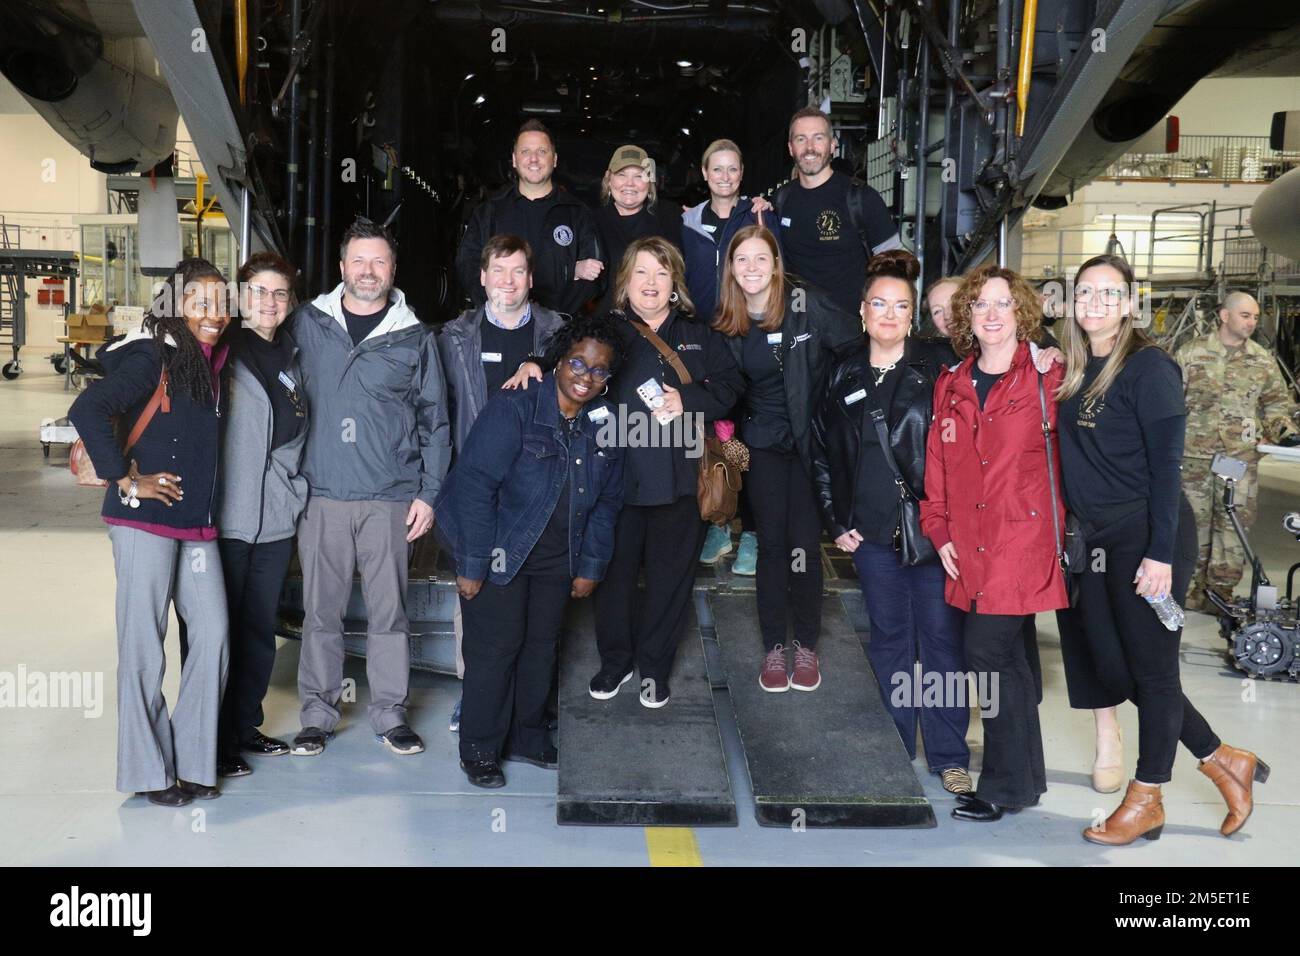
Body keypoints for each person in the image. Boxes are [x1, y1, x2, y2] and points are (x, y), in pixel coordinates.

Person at [1057, 254, 1269, 845]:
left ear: (1130, 303)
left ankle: (1147, 795)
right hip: (1094, 541)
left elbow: (1166, 469)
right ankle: (1224, 758)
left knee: (1151, 672)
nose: (1095, 302)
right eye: (1085, 293)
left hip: (1146, 538)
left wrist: (1159, 556)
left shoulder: (1150, 368)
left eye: (1109, 293)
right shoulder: (1073, 368)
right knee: (1112, 666)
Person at [435, 314, 626, 787]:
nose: (586, 376)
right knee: (495, 650)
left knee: (541, 648)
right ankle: (480, 747)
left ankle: (527, 735)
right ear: (559, 361)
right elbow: (475, 487)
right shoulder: (515, 407)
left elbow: (607, 502)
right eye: (578, 363)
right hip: (499, 550)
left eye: (599, 371)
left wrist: (591, 565)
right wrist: (474, 563)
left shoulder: (606, 425)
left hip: (557, 556)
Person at [68, 257, 232, 807]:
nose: (213, 314)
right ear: (175, 304)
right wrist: (125, 476)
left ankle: (193, 759)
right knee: (144, 647)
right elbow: (89, 408)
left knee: (212, 635)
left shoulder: (209, 361)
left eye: (220, 302)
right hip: (143, 520)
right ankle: (146, 770)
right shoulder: (150, 355)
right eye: (199, 303)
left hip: (195, 525)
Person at [810, 250, 971, 791]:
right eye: (878, 304)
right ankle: (897, 745)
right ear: (862, 312)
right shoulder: (842, 370)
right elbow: (821, 450)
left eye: (900, 306)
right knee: (890, 641)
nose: (888, 313)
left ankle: (949, 754)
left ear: (912, 315)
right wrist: (836, 519)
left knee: (942, 644)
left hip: (934, 535)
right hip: (874, 535)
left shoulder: (940, 365)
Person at [290, 218, 451, 758]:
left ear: (393, 269)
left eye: (378, 261)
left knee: (389, 615)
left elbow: (435, 419)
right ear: (341, 268)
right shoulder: (307, 324)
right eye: (358, 261)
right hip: (322, 495)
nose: (367, 271)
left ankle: (389, 715)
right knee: (321, 613)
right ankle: (317, 715)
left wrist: (428, 493)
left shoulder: (414, 336)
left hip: (389, 497)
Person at [920, 263, 1068, 822]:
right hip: (966, 544)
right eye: (979, 304)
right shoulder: (952, 382)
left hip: (1021, 541)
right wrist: (938, 530)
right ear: (966, 317)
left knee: (986, 654)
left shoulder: (1046, 378)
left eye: (1002, 303)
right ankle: (1025, 781)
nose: (990, 314)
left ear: (1021, 312)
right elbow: (938, 465)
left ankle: (1002, 786)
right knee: (1010, 660)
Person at [588, 237, 742, 707]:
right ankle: (615, 664)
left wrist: (687, 399)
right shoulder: (604, 331)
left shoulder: (699, 334)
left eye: (660, 273)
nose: (650, 284)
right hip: (616, 479)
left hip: (679, 481)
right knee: (612, 579)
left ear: (675, 283)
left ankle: (653, 669)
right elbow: (575, 382)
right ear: (625, 282)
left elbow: (733, 387)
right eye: (640, 273)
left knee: (669, 581)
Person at [712, 225, 859, 691]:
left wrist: (839, 416)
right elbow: (724, 386)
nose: (751, 268)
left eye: (761, 258)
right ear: (730, 269)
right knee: (772, 546)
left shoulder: (806, 303)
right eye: (742, 260)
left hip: (809, 444)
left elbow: (855, 347)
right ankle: (775, 648)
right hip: (762, 445)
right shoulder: (729, 320)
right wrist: (726, 435)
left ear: (776, 263)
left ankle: (807, 647)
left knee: (804, 545)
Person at [438, 234, 568, 732]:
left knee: (533, 609)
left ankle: (529, 707)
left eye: (518, 271)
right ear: (484, 277)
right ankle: (475, 698)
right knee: (472, 596)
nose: (508, 281)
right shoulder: (454, 337)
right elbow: (438, 409)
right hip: (479, 485)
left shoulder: (558, 333)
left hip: (539, 489)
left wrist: (546, 365)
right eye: (499, 270)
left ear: (530, 279)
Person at [212, 253, 308, 777]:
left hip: (273, 520)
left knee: (256, 630)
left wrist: (290, 491)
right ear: (240, 296)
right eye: (258, 292)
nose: (268, 303)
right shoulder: (222, 352)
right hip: (226, 517)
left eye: (278, 293)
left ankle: (245, 727)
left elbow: (297, 432)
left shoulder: (292, 356)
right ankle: (214, 740)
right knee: (217, 632)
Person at [1174, 290, 1300, 611]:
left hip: (1238, 460)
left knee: (1233, 526)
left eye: (1256, 317)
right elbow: (1170, 402)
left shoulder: (1261, 359)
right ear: (1224, 316)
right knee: (1193, 524)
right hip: (1193, 460)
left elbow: (1275, 404)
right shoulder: (1191, 354)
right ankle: (1187, 591)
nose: (1253, 322)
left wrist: (1286, 434)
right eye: (1246, 315)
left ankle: (1220, 595)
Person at [682, 138, 775, 572]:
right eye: (716, 169)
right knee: (719, 439)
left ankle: (753, 533)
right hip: (708, 344)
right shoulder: (688, 224)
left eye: (732, 169)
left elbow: (776, 270)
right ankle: (719, 522)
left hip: (749, 337)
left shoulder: (758, 214)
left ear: (741, 174)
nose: (724, 177)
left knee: (751, 439)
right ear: (704, 174)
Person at [456, 119, 604, 316]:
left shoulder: (578, 213)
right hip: (500, 324)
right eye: (526, 152)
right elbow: (468, 266)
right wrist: (502, 309)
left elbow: (595, 276)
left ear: (555, 159)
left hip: (559, 330)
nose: (534, 159)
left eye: (542, 152)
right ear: (515, 160)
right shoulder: (489, 212)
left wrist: (551, 317)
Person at [773, 106, 902, 315]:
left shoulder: (862, 198)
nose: (809, 147)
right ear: (790, 148)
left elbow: (896, 267)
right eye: (801, 139)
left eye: (818, 138)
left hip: (852, 333)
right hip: (800, 332)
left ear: (833, 144)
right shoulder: (781, 200)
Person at [593, 145, 682, 311]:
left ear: (649, 182)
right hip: (609, 323)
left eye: (639, 176)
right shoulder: (591, 222)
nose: (630, 184)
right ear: (608, 179)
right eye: (622, 175)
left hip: (658, 325)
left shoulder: (670, 217)